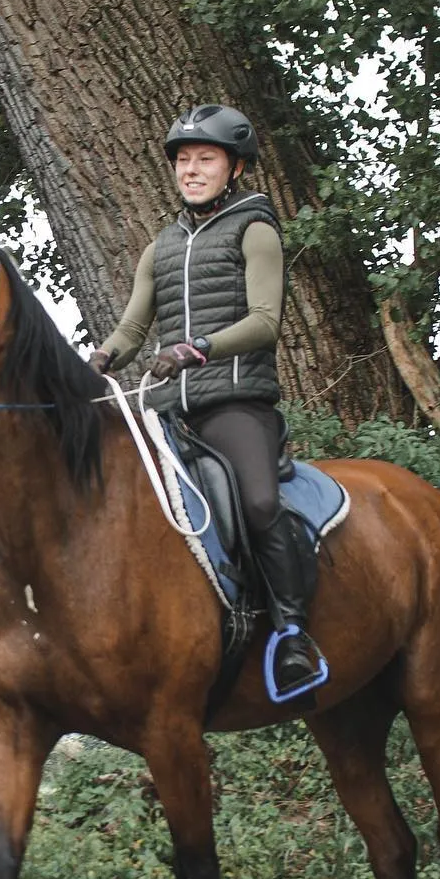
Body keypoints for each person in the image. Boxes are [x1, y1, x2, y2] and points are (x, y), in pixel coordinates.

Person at [90, 104, 326, 698]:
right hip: (167, 408)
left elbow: (265, 322)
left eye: (206, 160)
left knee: (259, 501)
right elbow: (132, 331)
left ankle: (293, 633)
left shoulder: (256, 230)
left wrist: (197, 349)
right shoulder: (160, 247)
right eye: (184, 160)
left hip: (236, 403)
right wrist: (99, 359)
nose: (191, 170)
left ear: (234, 168)